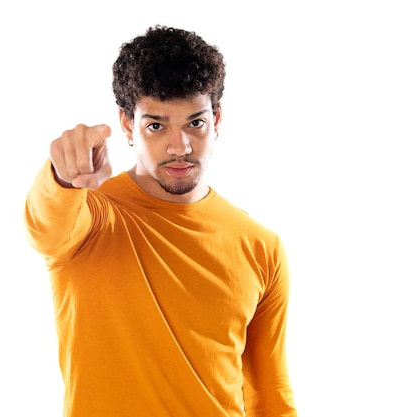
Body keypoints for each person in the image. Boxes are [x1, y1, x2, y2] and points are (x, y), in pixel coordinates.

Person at [24, 25, 297, 417]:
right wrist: (63, 176)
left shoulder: (261, 247)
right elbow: (45, 226)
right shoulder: (90, 218)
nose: (180, 146)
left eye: (195, 123)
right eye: (156, 125)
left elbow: (271, 397)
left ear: (216, 118)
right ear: (125, 124)